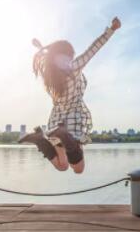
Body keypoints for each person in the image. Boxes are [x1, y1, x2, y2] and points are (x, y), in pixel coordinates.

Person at [19, 17, 121, 173]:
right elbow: (92, 50)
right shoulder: (74, 67)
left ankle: (40, 139)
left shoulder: (51, 73)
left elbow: (47, 54)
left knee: (62, 165)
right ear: (69, 54)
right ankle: (68, 139)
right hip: (73, 118)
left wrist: (40, 47)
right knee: (78, 169)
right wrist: (111, 30)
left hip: (57, 120)